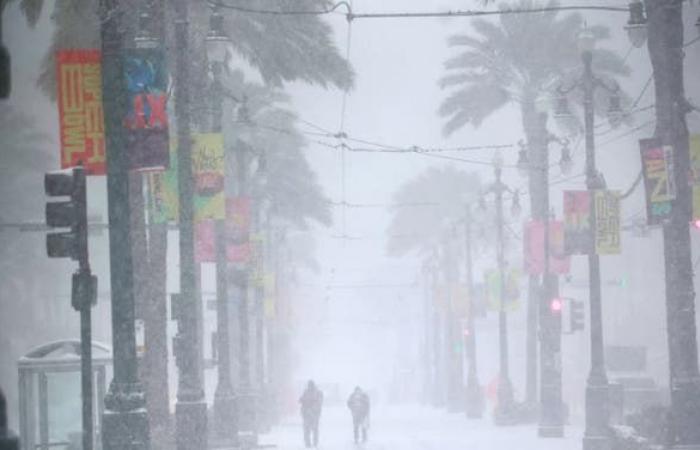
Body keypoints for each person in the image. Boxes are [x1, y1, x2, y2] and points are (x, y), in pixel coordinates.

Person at [299, 380, 323, 448]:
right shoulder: (307, 392)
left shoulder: (317, 392)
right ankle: (309, 443)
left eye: (310, 385)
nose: (309, 387)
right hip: (308, 414)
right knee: (310, 430)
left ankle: (312, 443)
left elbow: (319, 403)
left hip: (312, 414)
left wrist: (311, 408)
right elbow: (301, 400)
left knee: (311, 430)